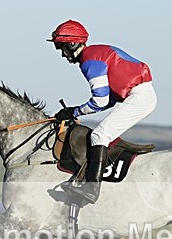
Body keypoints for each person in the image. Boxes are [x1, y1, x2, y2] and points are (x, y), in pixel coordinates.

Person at [48, 20, 157, 205]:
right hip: (139, 95)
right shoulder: (94, 54)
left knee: (99, 134)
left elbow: (100, 101)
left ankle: (91, 188)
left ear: (72, 44)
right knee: (101, 133)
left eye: (61, 48)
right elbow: (108, 100)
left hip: (140, 97)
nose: (62, 54)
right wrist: (74, 112)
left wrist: (74, 112)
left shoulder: (89, 61)